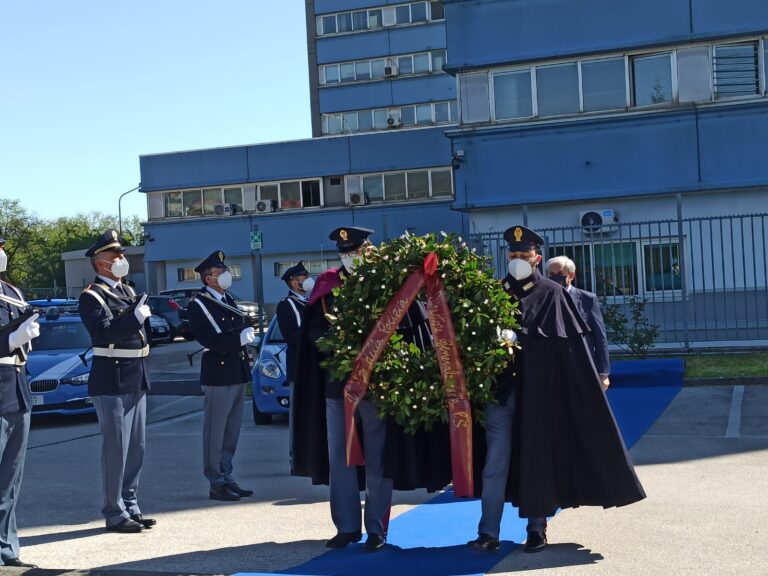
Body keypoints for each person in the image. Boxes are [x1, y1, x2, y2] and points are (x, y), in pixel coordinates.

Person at [292, 227, 448, 553]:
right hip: (338, 387)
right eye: (344, 250)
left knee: (378, 458)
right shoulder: (327, 285)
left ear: (368, 249)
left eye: (355, 249)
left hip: (376, 385)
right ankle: (346, 527)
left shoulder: (385, 283)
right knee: (340, 460)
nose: (350, 255)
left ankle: (377, 529)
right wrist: (339, 346)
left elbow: (408, 324)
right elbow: (314, 331)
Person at [501, 226, 646, 552]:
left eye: (524, 255)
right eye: (513, 255)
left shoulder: (553, 294)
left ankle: (536, 527)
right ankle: (488, 530)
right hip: (502, 393)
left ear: (536, 257)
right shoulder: (496, 292)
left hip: (540, 393)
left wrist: (589, 381)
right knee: (496, 461)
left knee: (537, 455)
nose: (518, 260)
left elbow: (572, 349)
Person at [79, 229, 156, 533]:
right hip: (111, 380)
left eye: (122, 254)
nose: (122, 259)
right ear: (100, 263)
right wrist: (135, 318)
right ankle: (114, 511)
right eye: (116, 256)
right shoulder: (91, 296)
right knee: (116, 450)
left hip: (136, 377)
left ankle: (131, 505)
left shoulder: (127, 291)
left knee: (136, 447)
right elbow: (104, 332)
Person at [187, 250, 256, 502]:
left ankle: (227, 476)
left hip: (235, 370)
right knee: (215, 433)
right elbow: (210, 338)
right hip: (218, 372)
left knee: (231, 431)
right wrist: (239, 338)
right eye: (220, 271)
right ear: (208, 278)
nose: (226, 274)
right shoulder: (199, 304)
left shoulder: (227, 299)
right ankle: (215, 481)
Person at [0, 237, 40, 567]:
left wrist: (24, 337)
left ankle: (6, 549)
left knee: (10, 480)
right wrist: (11, 339)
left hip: (17, 388)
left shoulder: (11, 292)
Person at [546, 255, 610, 389]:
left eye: (560, 274)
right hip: (553, 367)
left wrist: (603, 373)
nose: (555, 278)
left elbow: (600, 337)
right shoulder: (543, 299)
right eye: (551, 274)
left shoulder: (588, 299)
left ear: (571, 275)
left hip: (582, 365)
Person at [275, 262, 312, 464]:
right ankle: (296, 457)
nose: (307, 280)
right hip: (299, 366)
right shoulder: (286, 305)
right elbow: (291, 335)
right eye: (303, 278)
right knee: (297, 415)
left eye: (307, 276)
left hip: (315, 366)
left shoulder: (312, 302)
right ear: (293, 282)